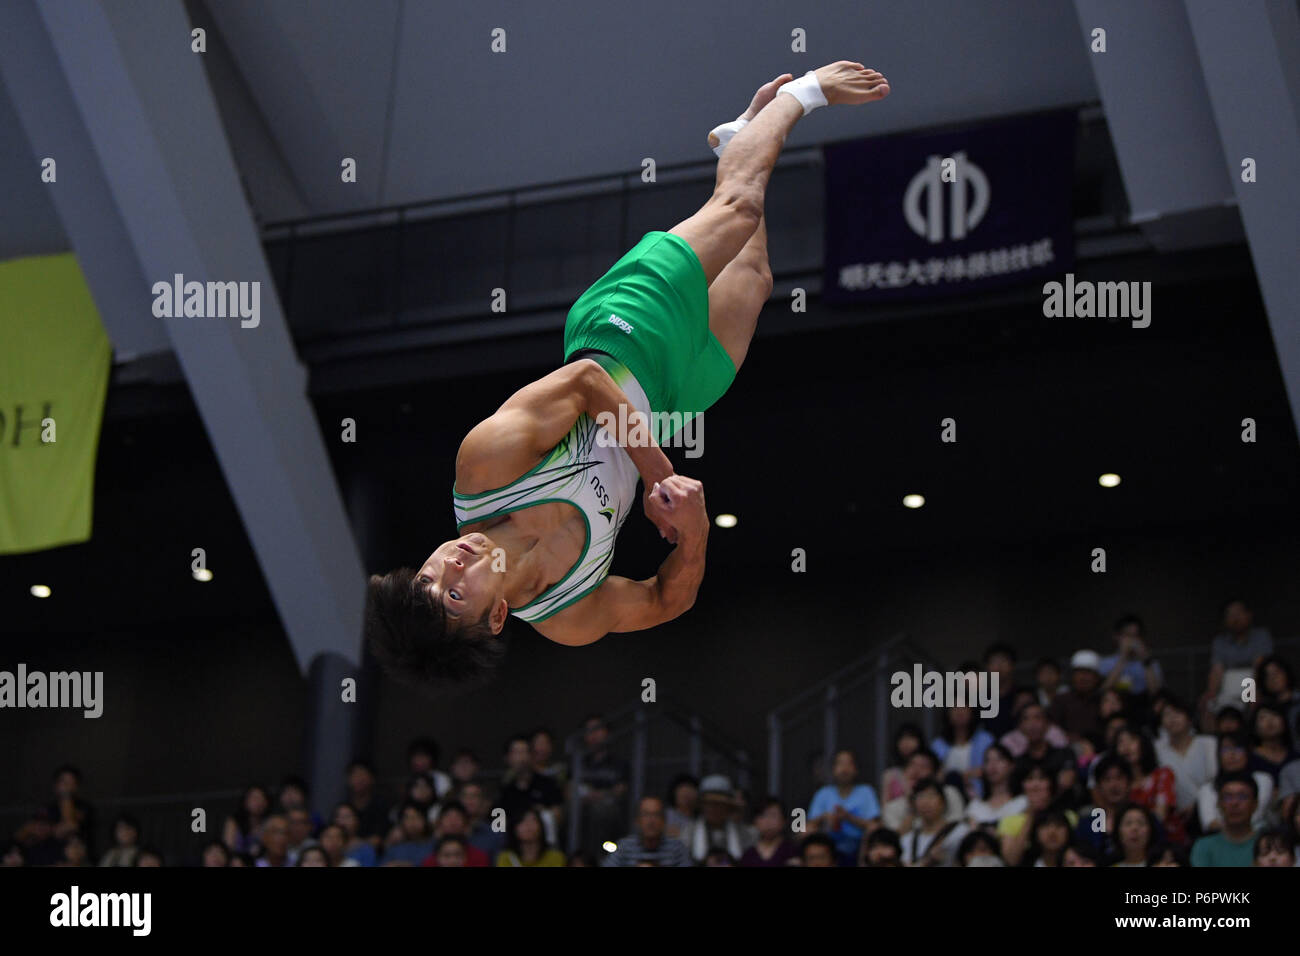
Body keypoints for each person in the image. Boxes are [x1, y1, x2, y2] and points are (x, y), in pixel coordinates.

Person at [363, 63, 891, 690]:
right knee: (754, 280)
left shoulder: (484, 469)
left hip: (620, 334)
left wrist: (658, 476)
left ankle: (801, 97)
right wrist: (691, 533)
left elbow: (586, 380)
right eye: (454, 597)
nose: (450, 565)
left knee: (739, 209)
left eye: (427, 577)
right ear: (496, 616)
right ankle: (740, 136)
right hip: (669, 400)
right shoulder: (570, 616)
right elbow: (669, 600)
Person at [1201, 598, 1274, 724]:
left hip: (1252, 682)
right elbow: (1217, 670)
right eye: (1230, 615)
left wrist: (1254, 693)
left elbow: (1259, 666)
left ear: (1249, 615)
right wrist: (1211, 694)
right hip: (1228, 685)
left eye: (1238, 613)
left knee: (1253, 703)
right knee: (1208, 706)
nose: (1235, 618)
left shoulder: (1261, 636)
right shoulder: (1220, 642)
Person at [807, 749, 881, 865]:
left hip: (859, 846)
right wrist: (824, 817)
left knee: (873, 829)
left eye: (849, 764)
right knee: (806, 831)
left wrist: (848, 817)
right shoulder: (823, 793)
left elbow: (874, 824)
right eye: (840, 764)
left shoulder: (866, 791)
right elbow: (806, 825)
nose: (844, 769)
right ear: (833, 769)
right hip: (829, 846)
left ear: (856, 769)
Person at [1113, 723, 1180, 842]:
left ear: (1143, 743)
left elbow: (1160, 816)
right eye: (1121, 742)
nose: (1126, 746)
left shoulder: (1162, 775)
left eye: (1132, 740)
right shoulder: (1119, 785)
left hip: (1165, 841)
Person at [1154, 696, 1218, 818]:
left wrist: (1198, 805)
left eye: (1178, 713)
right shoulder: (1157, 750)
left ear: (1189, 718)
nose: (1172, 719)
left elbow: (1214, 780)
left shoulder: (1209, 744)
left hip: (1210, 810)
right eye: (1167, 715)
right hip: (1173, 815)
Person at [1197, 732, 1273, 833]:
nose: (1232, 754)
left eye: (1238, 748)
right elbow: (1209, 824)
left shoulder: (1263, 779)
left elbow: (1256, 816)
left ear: (1247, 753)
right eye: (1226, 749)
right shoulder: (1207, 788)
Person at [497, 735, 564, 836]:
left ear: (532, 756)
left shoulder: (548, 784)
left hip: (544, 842)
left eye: (525, 752)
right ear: (507, 758)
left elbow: (557, 817)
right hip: (512, 843)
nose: (522, 758)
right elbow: (498, 825)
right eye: (516, 753)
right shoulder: (504, 789)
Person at [1191, 772, 1260, 867]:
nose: (1235, 803)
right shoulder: (1204, 846)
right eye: (1228, 797)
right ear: (1218, 804)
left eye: (1242, 796)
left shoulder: (1266, 844)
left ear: (1255, 804)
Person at [681, 774, 754, 863]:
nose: (713, 809)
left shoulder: (743, 833)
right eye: (708, 804)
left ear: (728, 807)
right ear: (702, 806)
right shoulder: (689, 833)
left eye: (718, 804)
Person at [602, 796, 691, 867]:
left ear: (664, 821)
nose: (651, 821)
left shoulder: (677, 849)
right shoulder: (624, 847)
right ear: (637, 821)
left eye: (656, 815)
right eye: (646, 815)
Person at [930, 705, 995, 799]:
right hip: (945, 798)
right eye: (955, 708)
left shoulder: (985, 739)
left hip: (980, 795)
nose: (959, 712)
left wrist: (961, 776)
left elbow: (991, 768)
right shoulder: (938, 744)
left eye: (964, 707)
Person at [899, 779, 969, 867]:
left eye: (931, 796)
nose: (926, 802)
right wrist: (927, 862)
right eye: (921, 796)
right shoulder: (907, 840)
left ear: (943, 802)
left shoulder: (960, 832)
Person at [1099, 614, 1164, 700]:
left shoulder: (1151, 664)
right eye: (1128, 635)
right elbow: (1103, 691)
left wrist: (1146, 660)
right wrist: (1123, 658)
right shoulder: (1105, 663)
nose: (1133, 641)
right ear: (1116, 637)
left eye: (1136, 636)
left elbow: (1156, 693)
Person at [963, 744, 1026, 827]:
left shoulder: (1023, 802)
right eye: (988, 760)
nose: (992, 765)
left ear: (1011, 766)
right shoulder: (975, 807)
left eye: (999, 759)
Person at [1049, 650, 1105, 743]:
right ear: (1072, 676)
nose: (1083, 677)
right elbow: (1051, 728)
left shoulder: (1104, 700)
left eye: (1087, 673)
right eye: (1079, 673)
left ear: (1096, 677)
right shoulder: (1061, 700)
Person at [738, 797, 798, 867]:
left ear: (784, 821)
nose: (768, 821)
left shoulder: (792, 851)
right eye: (763, 815)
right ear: (755, 821)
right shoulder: (748, 855)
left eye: (773, 815)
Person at [496, 808, 566, 866]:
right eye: (522, 821)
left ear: (541, 827)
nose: (528, 825)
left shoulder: (556, 857)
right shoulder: (505, 857)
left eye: (533, 820)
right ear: (514, 828)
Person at [1250, 703, 1298, 781]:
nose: (1270, 721)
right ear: (1254, 727)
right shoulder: (1249, 759)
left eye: (1275, 715)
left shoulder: (1295, 757)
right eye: (1263, 717)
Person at [880, 724, 925, 803]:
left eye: (910, 738)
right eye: (902, 739)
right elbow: (885, 806)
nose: (906, 742)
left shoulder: (928, 770)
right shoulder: (890, 774)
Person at [222, 785, 270, 856]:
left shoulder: (269, 822)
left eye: (261, 798)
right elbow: (227, 849)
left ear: (266, 803)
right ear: (245, 801)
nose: (258, 802)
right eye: (254, 798)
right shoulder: (234, 821)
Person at [663, 773, 699, 841]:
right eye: (682, 790)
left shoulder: (701, 818)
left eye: (690, 789)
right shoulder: (665, 816)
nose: (687, 794)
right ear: (674, 793)